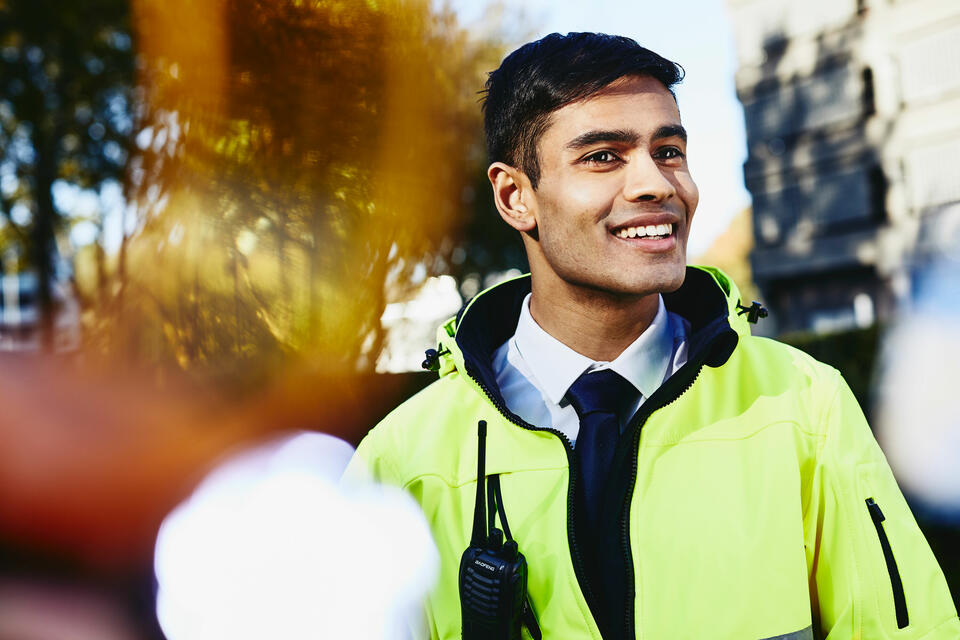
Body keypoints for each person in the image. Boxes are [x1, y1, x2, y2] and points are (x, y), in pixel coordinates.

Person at [344, 32, 960, 639]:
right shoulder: (398, 464)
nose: (658, 185)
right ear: (514, 197)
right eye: (604, 156)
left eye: (668, 151)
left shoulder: (806, 405)